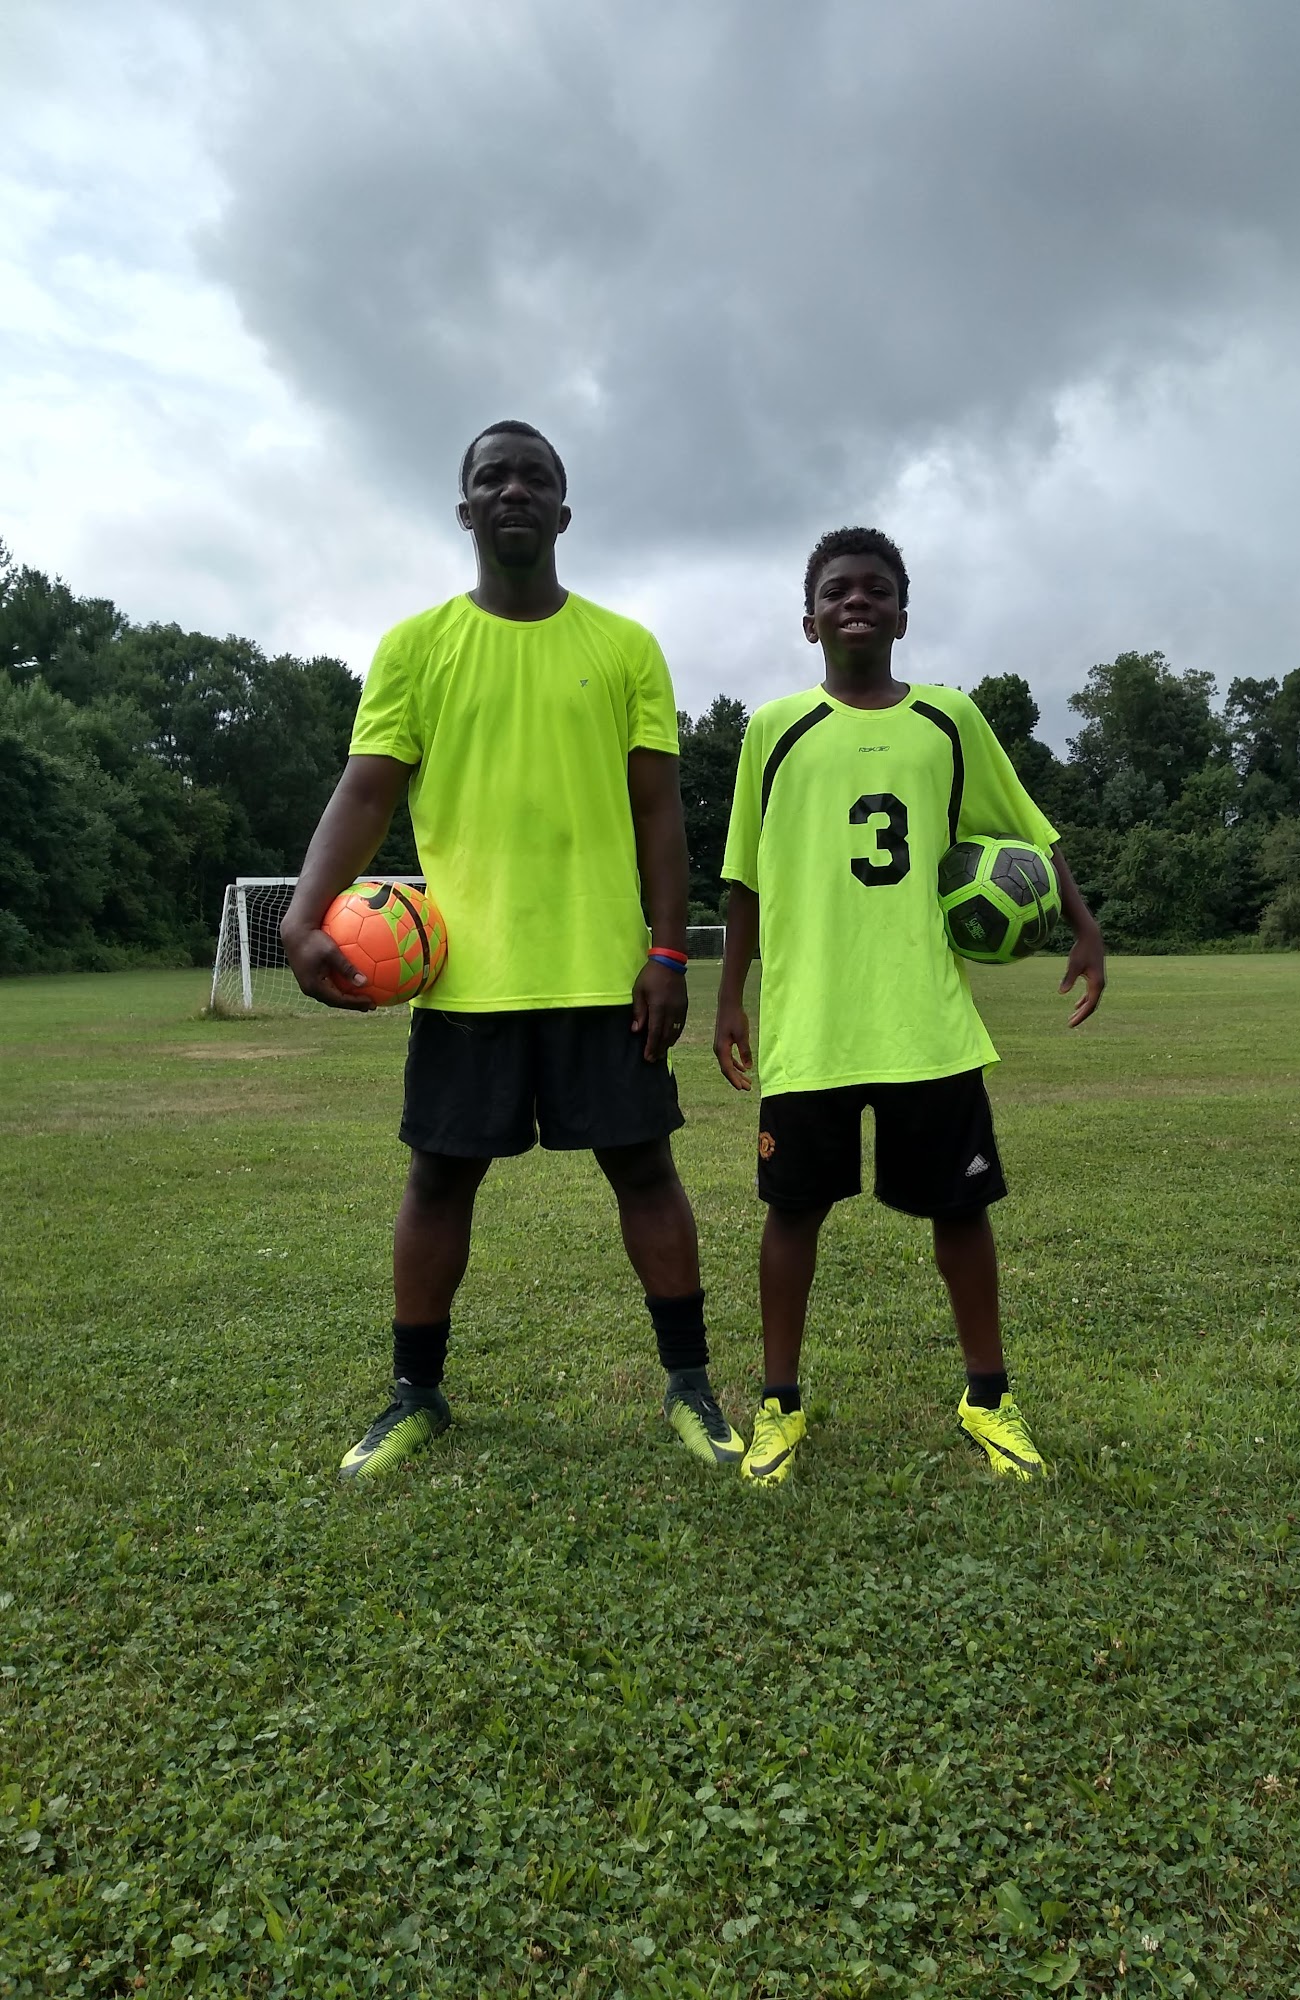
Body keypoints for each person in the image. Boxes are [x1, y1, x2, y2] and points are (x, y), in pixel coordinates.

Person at [281, 420, 743, 1479]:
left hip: (602, 972)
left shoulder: (625, 646)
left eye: (536, 476)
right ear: (466, 509)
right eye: (493, 476)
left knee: (646, 1171)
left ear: (564, 511)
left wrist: (668, 955)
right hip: (463, 979)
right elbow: (366, 791)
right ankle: (415, 1394)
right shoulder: (416, 646)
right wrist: (301, 918)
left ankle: (690, 1386)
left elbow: (660, 814)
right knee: (438, 1182)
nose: (514, 489)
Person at [713, 526, 1105, 1485]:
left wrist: (1084, 925)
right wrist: (730, 999)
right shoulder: (773, 729)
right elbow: (743, 879)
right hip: (811, 1021)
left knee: (962, 1213)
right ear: (809, 622)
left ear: (902, 613)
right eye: (837, 591)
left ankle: (988, 1397)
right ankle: (779, 1405)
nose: (857, 600)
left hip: (926, 1021)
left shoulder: (950, 719)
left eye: (876, 589)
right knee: (792, 1215)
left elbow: (1028, 832)